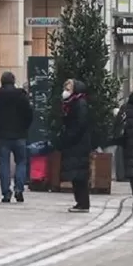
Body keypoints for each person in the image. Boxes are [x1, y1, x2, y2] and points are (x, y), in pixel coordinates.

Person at [0, 71, 34, 202]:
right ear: (14, 81)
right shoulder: (22, 96)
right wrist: (24, 126)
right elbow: (29, 114)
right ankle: (19, 189)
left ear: (2, 81)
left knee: (4, 164)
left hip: (2, 135)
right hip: (20, 134)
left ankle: (6, 192)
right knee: (21, 162)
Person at [57, 79, 92, 212]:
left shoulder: (79, 103)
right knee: (76, 175)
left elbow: (80, 124)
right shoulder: (71, 103)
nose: (66, 91)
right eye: (65, 87)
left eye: (69, 88)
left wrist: (70, 136)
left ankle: (83, 203)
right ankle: (80, 202)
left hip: (78, 144)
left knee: (79, 175)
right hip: (75, 143)